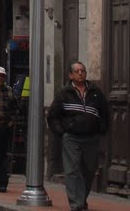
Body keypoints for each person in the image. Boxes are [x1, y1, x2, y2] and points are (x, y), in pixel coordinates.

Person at [47, 61, 110, 211]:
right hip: (71, 137)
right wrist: (62, 132)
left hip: (92, 138)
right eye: (77, 71)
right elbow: (53, 116)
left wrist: (101, 129)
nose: (80, 73)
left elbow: (105, 113)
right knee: (72, 170)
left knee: (89, 170)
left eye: (83, 70)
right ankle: (76, 204)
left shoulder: (96, 93)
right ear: (71, 75)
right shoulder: (64, 94)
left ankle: (81, 199)